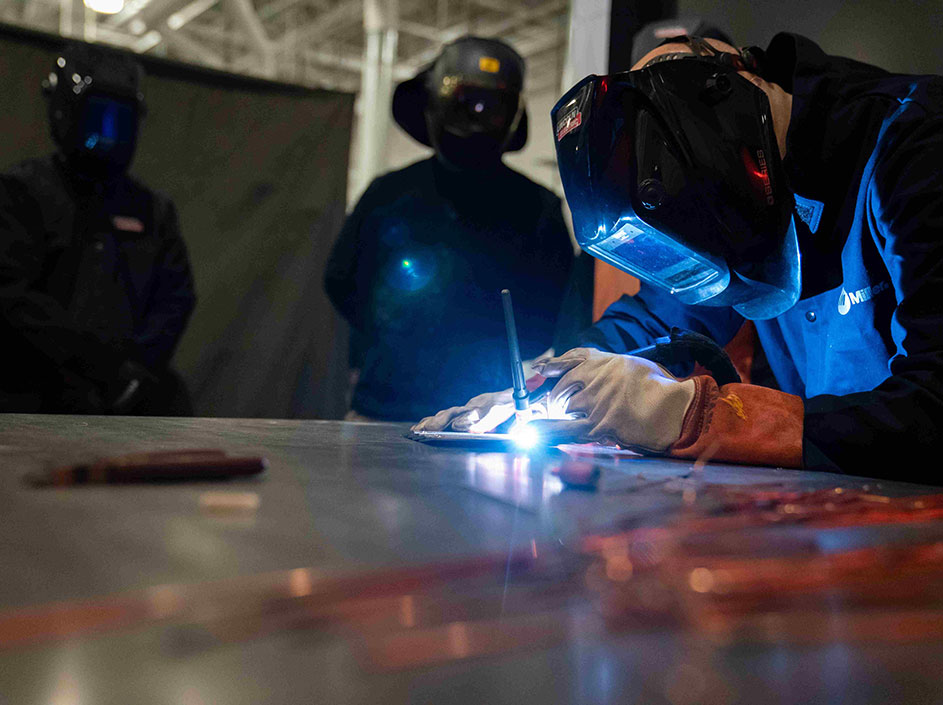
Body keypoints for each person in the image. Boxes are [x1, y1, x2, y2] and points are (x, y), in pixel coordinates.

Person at [415, 33, 943, 477]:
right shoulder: (739, 194)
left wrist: (697, 416)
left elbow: (932, 408)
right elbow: (662, 315)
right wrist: (560, 376)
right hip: (843, 513)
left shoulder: (914, 147)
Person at [324, 36, 574, 421]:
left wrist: (401, 339)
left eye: (491, 105)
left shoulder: (539, 209)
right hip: (403, 410)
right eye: (467, 101)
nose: (477, 114)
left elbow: (550, 317)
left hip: (480, 416)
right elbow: (342, 282)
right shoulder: (389, 194)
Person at [0, 42, 196, 415]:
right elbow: (13, 296)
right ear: (63, 113)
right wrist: (98, 367)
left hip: (130, 401)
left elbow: (176, 297)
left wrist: (135, 372)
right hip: (33, 402)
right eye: (97, 119)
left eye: (119, 122)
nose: (108, 134)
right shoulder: (21, 193)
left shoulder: (153, 210)